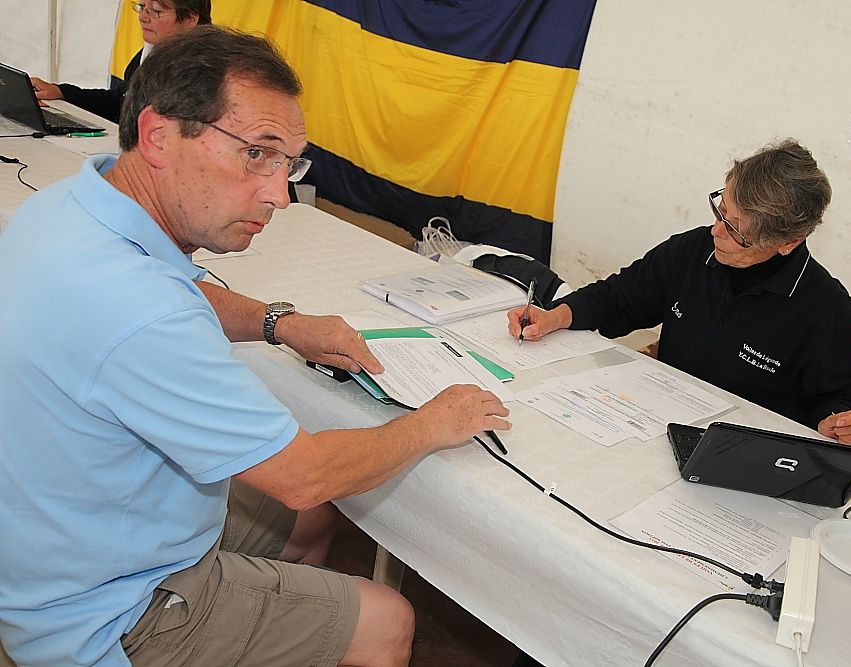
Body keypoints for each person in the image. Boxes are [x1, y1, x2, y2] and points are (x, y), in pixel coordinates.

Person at [0, 25, 511, 667]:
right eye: (256, 155)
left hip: (60, 536)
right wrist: (435, 422)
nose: (279, 193)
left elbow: (177, 298)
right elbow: (302, 475)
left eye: (287, 162)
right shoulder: (145, 315)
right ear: (159, 136)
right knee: (386, 619)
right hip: (105, 613)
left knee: (316, 521)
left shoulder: (70, 207)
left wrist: (281, 323)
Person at [508, 139, 851, 446]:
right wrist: (555, 314)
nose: (716, 231)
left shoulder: (827, 311)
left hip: (740, 454)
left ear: (788, 242)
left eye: (736, 230)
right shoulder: (694, 250)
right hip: (659, 423)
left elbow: (833, 400)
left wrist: (835, 424)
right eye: (720, 210)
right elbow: (619, 298)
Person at [30, 1, 211, 123]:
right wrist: (62, 92)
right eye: (141, 6)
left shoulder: (205, 72)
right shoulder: (150, 54)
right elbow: (120, 101)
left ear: (190, 19)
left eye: (156, 11)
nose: (143, 17)